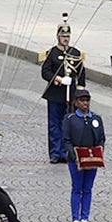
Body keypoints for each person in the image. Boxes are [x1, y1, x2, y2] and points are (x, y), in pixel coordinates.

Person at [39, 17, 85, 162]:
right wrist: (59, 79)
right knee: (54, 125)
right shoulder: (52, 53)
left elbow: (81, 74)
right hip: (55, 95)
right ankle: (55, 153)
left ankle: (66, 152)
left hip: (70, 96)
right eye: (63, 36)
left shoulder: (76, 53)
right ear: (57, 37)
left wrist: (79, 94)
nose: (65, 39)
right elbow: (45, 72)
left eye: (67, 36)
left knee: (68, 125)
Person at [61, 87, 105, 222]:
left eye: (87, 101)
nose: (85, 103)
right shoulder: (70, 119)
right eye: (82, 101)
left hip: (91, 159)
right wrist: (76, 157)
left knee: (88, 189)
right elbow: (66, 140)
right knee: (77, 188)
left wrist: (100, 150)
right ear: (76, 103)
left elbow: (101, 138)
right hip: (76, 159)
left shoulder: (96, 118)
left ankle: (85, 217)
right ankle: (75, 218)